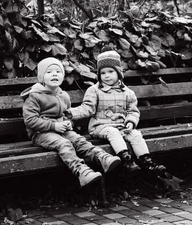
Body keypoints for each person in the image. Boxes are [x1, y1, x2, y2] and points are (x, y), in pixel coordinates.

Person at [21, 57, 121, 188]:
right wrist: (54, 126)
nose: (54, 74)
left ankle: (102, 158)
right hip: (41, 133)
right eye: (49, 72)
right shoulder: (34, 96)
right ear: (41, 76)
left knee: (79, 140)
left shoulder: (64, 95)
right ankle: (82, 171)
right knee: (64, 144)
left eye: (58, 71)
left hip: (62, 130)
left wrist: (68, 123)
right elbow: (30, 120)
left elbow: (66, 116)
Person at [67, 49, 168, 177]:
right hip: (100, 127)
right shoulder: (94, 90)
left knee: (135, 134)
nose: (106, 75)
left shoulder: (127, 92)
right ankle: (127, 160)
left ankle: (147, 162)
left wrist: (131, 121)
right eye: (103, 73)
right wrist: (71, 113)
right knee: (113, 132)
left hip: (121, 126)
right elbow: (87, 108)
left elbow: (133, 111)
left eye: (110, 71)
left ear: (119, 73)